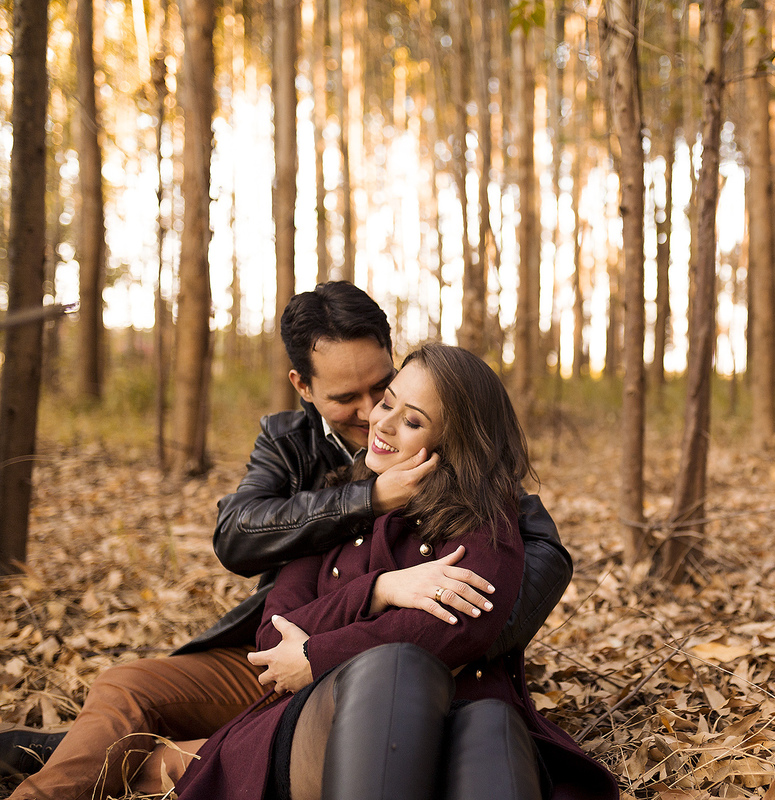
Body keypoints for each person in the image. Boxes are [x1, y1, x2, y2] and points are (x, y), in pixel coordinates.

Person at [1, 283, 573, 798]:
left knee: (386, 705)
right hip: (279, 657)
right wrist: (375, 545)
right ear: (304, 385)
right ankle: (69, 768)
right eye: (352, 397)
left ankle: (118, 759)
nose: (372, 415)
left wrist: (354, 649)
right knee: (126, 686)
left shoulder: (480, 504)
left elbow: (487, 604)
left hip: (376, 679)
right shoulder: (295, 450)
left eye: (383, 389)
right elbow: (239, 540)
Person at [162, 343, 617, 799]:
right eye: (387, 402)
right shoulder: (339, 506)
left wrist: (315, 653)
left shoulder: (482, 519)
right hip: (323, 724)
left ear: (453, 442)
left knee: (491, 720)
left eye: (413, 421)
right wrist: (380, 590)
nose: (382, 423)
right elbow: (274, 634)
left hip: (463, 720)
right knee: (393, 670)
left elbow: (462, 625)